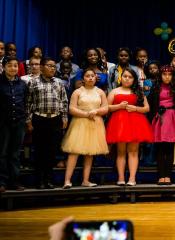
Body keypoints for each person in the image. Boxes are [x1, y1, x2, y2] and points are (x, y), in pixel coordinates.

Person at [61, 69, 109, 189]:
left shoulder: (100, 92)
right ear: (83, 78)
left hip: (95, 124)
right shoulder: (77, 92)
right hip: (79, 122)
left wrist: (96, 111)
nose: (90, 78)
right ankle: (67, 180)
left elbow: (106, 108)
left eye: (92, 76)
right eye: (87, 76)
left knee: (90, 153)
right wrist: (86, 114)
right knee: (74, 152)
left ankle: (86, 180)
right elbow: (71, 108)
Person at [106, 67, 153, 186]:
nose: (127, 79)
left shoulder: (138, 92)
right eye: (125, 76)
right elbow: (106, 107)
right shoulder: (114, 91)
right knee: (121, 152)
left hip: (135, 124)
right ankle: (121, 178)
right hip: (119, 124)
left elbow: (147, 108)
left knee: (133, 151)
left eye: (130, 77)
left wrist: (135, 108)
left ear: (134, 80)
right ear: (121, 78)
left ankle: (132, 178)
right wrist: (119, 106)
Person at [26, 57, 68, 189]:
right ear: (42, 67)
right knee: (39, 151)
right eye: (49, 66)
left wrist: (64, 117)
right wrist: (28, 121)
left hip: (55, 119)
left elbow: (64, 101)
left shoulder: (59, 83)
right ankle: (39, 180)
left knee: (51, 151)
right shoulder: (33, 82)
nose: (52, 68)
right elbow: (28, 103)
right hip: (39, 118)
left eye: (54, 66)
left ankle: (49, 179)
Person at [147, 65, 175, 185]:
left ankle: (168, 176)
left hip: (172, 118)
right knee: (159, 149)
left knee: (169, 149)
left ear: (173, 76)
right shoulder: (155, 88)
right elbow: (151, 106)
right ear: (160, 75)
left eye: (170, 74)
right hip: (159, 118)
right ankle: (161, 176)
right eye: (164, 74)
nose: (167, 77)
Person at [0, 57, 28, 192]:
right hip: (3, 123)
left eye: (15, 66)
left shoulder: (22, 84)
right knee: (2, 153)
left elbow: (26, 102)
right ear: (4, 67)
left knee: (15, 154)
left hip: (19, 122)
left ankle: (14, 181)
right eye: (10, 65)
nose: (13, 68)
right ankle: (2, 182)